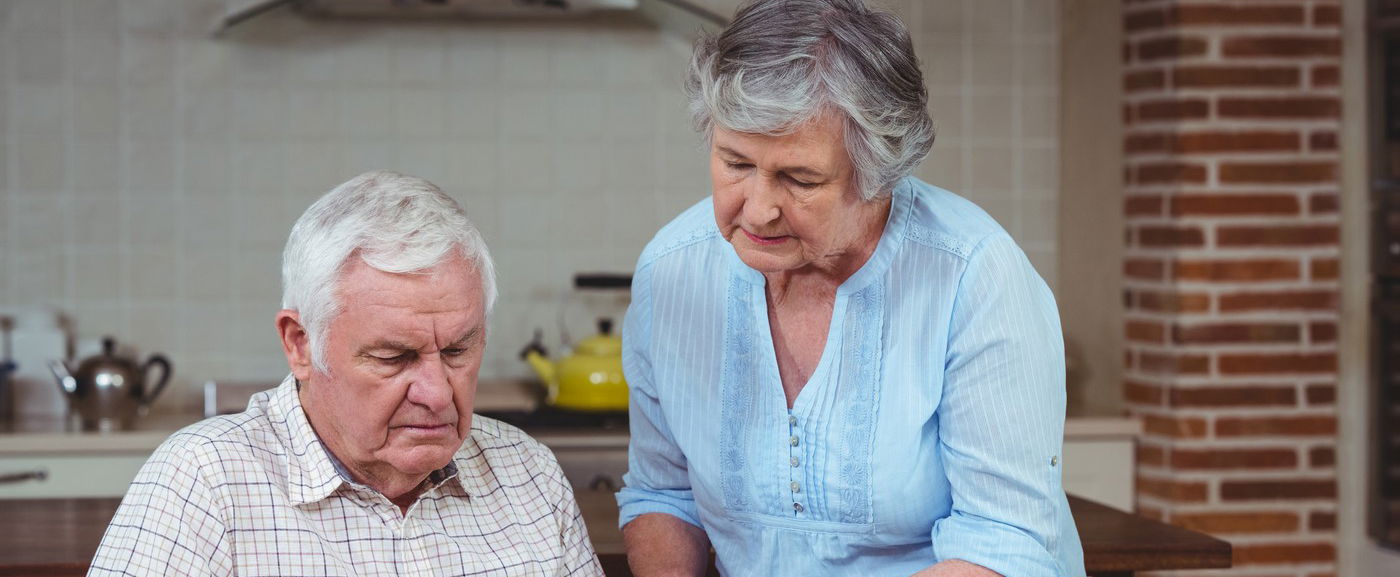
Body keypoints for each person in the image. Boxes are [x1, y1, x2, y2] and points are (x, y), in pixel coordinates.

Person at [615, 1, 1086, 576]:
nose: (758, 210)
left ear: (878, 171)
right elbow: (664, 495)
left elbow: (1002, 542)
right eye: (735, 163)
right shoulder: (672, 271)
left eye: (799, 177)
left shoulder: (974, 276)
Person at [90, 171, 603, 576]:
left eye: (457, 350)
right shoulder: (203, 483)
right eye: (392, 357)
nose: (437, 394)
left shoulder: (528, 474)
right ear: (301, 344)